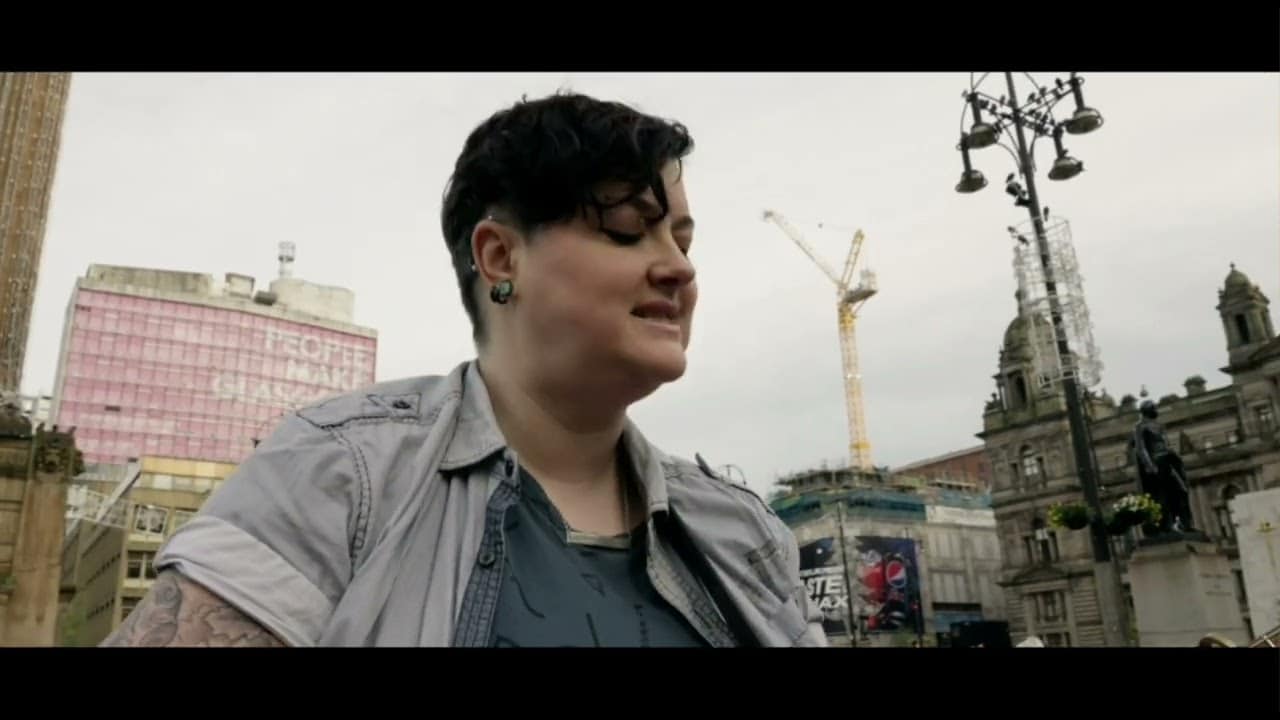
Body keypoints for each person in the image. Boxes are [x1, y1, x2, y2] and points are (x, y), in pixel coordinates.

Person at [102, 91, 826, 647]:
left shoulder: (744, 531)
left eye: (683, 239)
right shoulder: (340, 475)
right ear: (500, 258)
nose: (676, 267)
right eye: (629, 230)